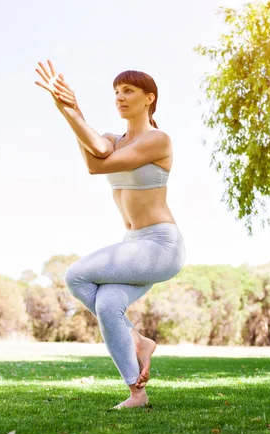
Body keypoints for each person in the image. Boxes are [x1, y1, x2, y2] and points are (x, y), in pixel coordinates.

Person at [34, 60, 185, 410]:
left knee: (76, 274)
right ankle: (137, 391)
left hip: (160, 244)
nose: (120, 96)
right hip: (132, 244)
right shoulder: (111, 138)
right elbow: (95, 153)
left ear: (149, 98)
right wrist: (71, 111)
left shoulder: (158, 140)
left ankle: (134, 336)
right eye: (116, 91)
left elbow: (97, 162)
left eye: (128, 90)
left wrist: (69, 111)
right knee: (107, 304)